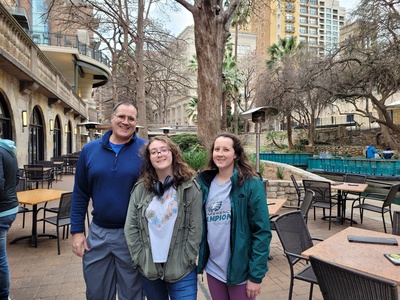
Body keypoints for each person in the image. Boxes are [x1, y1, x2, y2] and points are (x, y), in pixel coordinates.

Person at [71, 101, 147, 300]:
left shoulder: (145, 151)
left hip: (132, 234)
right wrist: (77, 231)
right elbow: (80, 192)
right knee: (96, 292)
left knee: (132, 294)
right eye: (121, 116)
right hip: (98, 234)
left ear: (136, 123)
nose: (125, 122)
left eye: (131, 118)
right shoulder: (90, 150)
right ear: (111, 118)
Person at [124, 136, 202, 300]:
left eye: (163, 150)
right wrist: (140, 258)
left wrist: (186, 258)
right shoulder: (140, 189)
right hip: (149, 269)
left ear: (173, 153)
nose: (159, 154)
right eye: (154, 152)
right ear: (149, 158)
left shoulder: (189, 186)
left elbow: (196, 228)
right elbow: (131, 227)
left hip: (181, 269)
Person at [197, 132, 272, 300]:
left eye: (226, 149)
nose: (220, 154)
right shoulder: (204, 184)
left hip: (240, 271)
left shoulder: (251, 184)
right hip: (214, 268)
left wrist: (255, 276)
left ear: (236, 154)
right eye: (217, 149)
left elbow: (262, 232)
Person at [0, 135, 19, 300]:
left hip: (2, 210)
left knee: (0, 259)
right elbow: (17, 178)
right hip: (10, 207)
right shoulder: (9, 150)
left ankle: (3, 296)